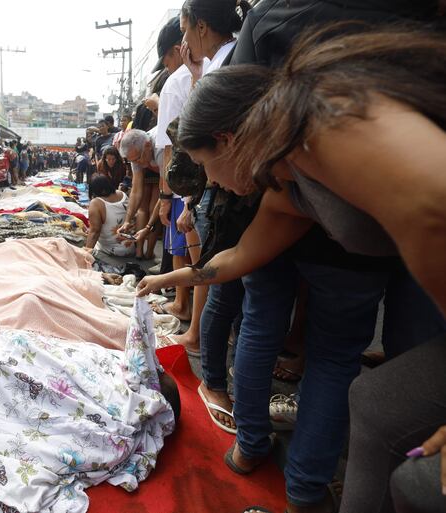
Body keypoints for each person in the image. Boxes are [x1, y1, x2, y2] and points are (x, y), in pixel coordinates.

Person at [140, 26, 446, 513]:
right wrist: (166, 278)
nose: (211, 183)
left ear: (227, 140)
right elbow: (237, 258)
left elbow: (434, 208)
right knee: (375, 405)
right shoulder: (287, 182)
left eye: (205, 165)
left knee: (413, 465)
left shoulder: (329, 135)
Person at [152, 14, 197, 328]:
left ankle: (184, 307)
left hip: (186, 186)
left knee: (189, 251)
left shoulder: (175, 83)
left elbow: (168, 148)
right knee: (200, 255)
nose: (167, 67)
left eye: (166, 60)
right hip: (202, 183)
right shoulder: (205, 70)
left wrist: (166, 196)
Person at [117, 129, 160, 259]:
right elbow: (136, 192)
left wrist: (148, 227)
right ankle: (140, 251)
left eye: (138, 159)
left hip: (163, 172)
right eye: (132, 161)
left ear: (147, 146)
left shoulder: (161, 147)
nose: (137, 163)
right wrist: (127, 221)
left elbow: (165, 195)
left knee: (155, 209)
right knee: (143, 209)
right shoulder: (135, 154)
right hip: (153, 169)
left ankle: (149, 252)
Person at [85, 174, 134, 257]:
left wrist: (85, 254)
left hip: (112, 249)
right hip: (130, 246)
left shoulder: (96, 203)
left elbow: (95, 232)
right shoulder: (122, 194)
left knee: (86, 240)